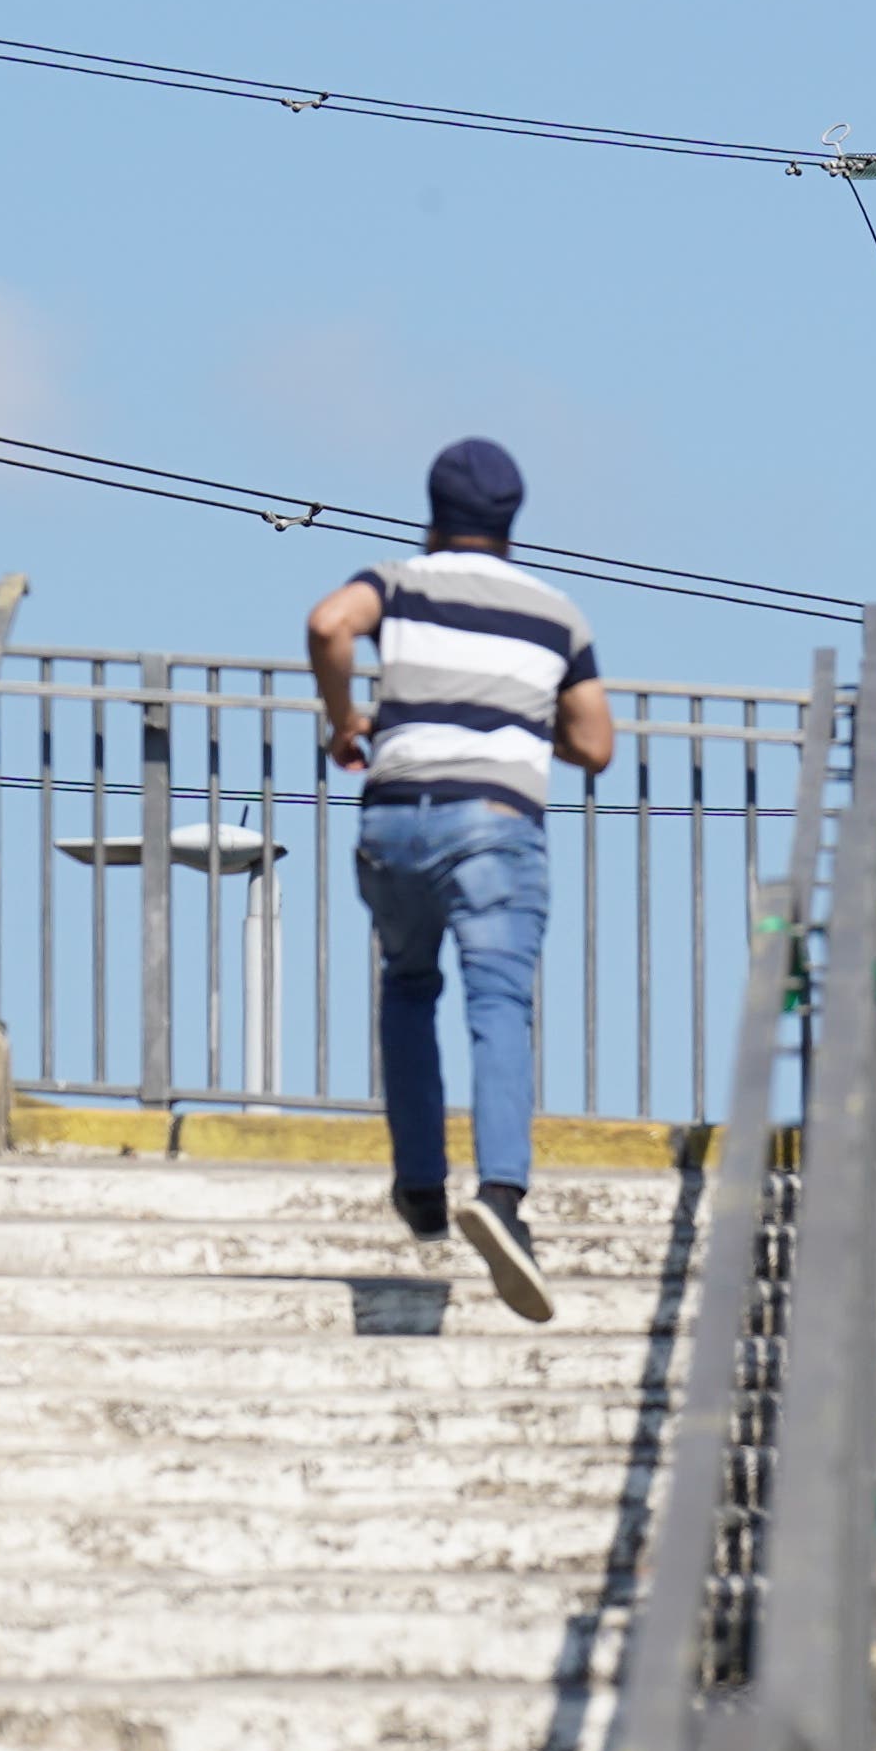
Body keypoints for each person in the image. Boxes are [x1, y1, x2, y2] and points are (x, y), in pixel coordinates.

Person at [308, 436, 614, 1322]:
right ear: (513, 520)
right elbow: (595, 741)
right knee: (497, 1003)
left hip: (395, 812)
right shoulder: (557, 616)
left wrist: (345, 722)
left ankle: (420, 1184)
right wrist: (518, 721)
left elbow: (331, 623)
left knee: (407, 984)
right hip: (494, 824)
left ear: (433, 511)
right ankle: (505, 1202)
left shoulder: (399, 581)